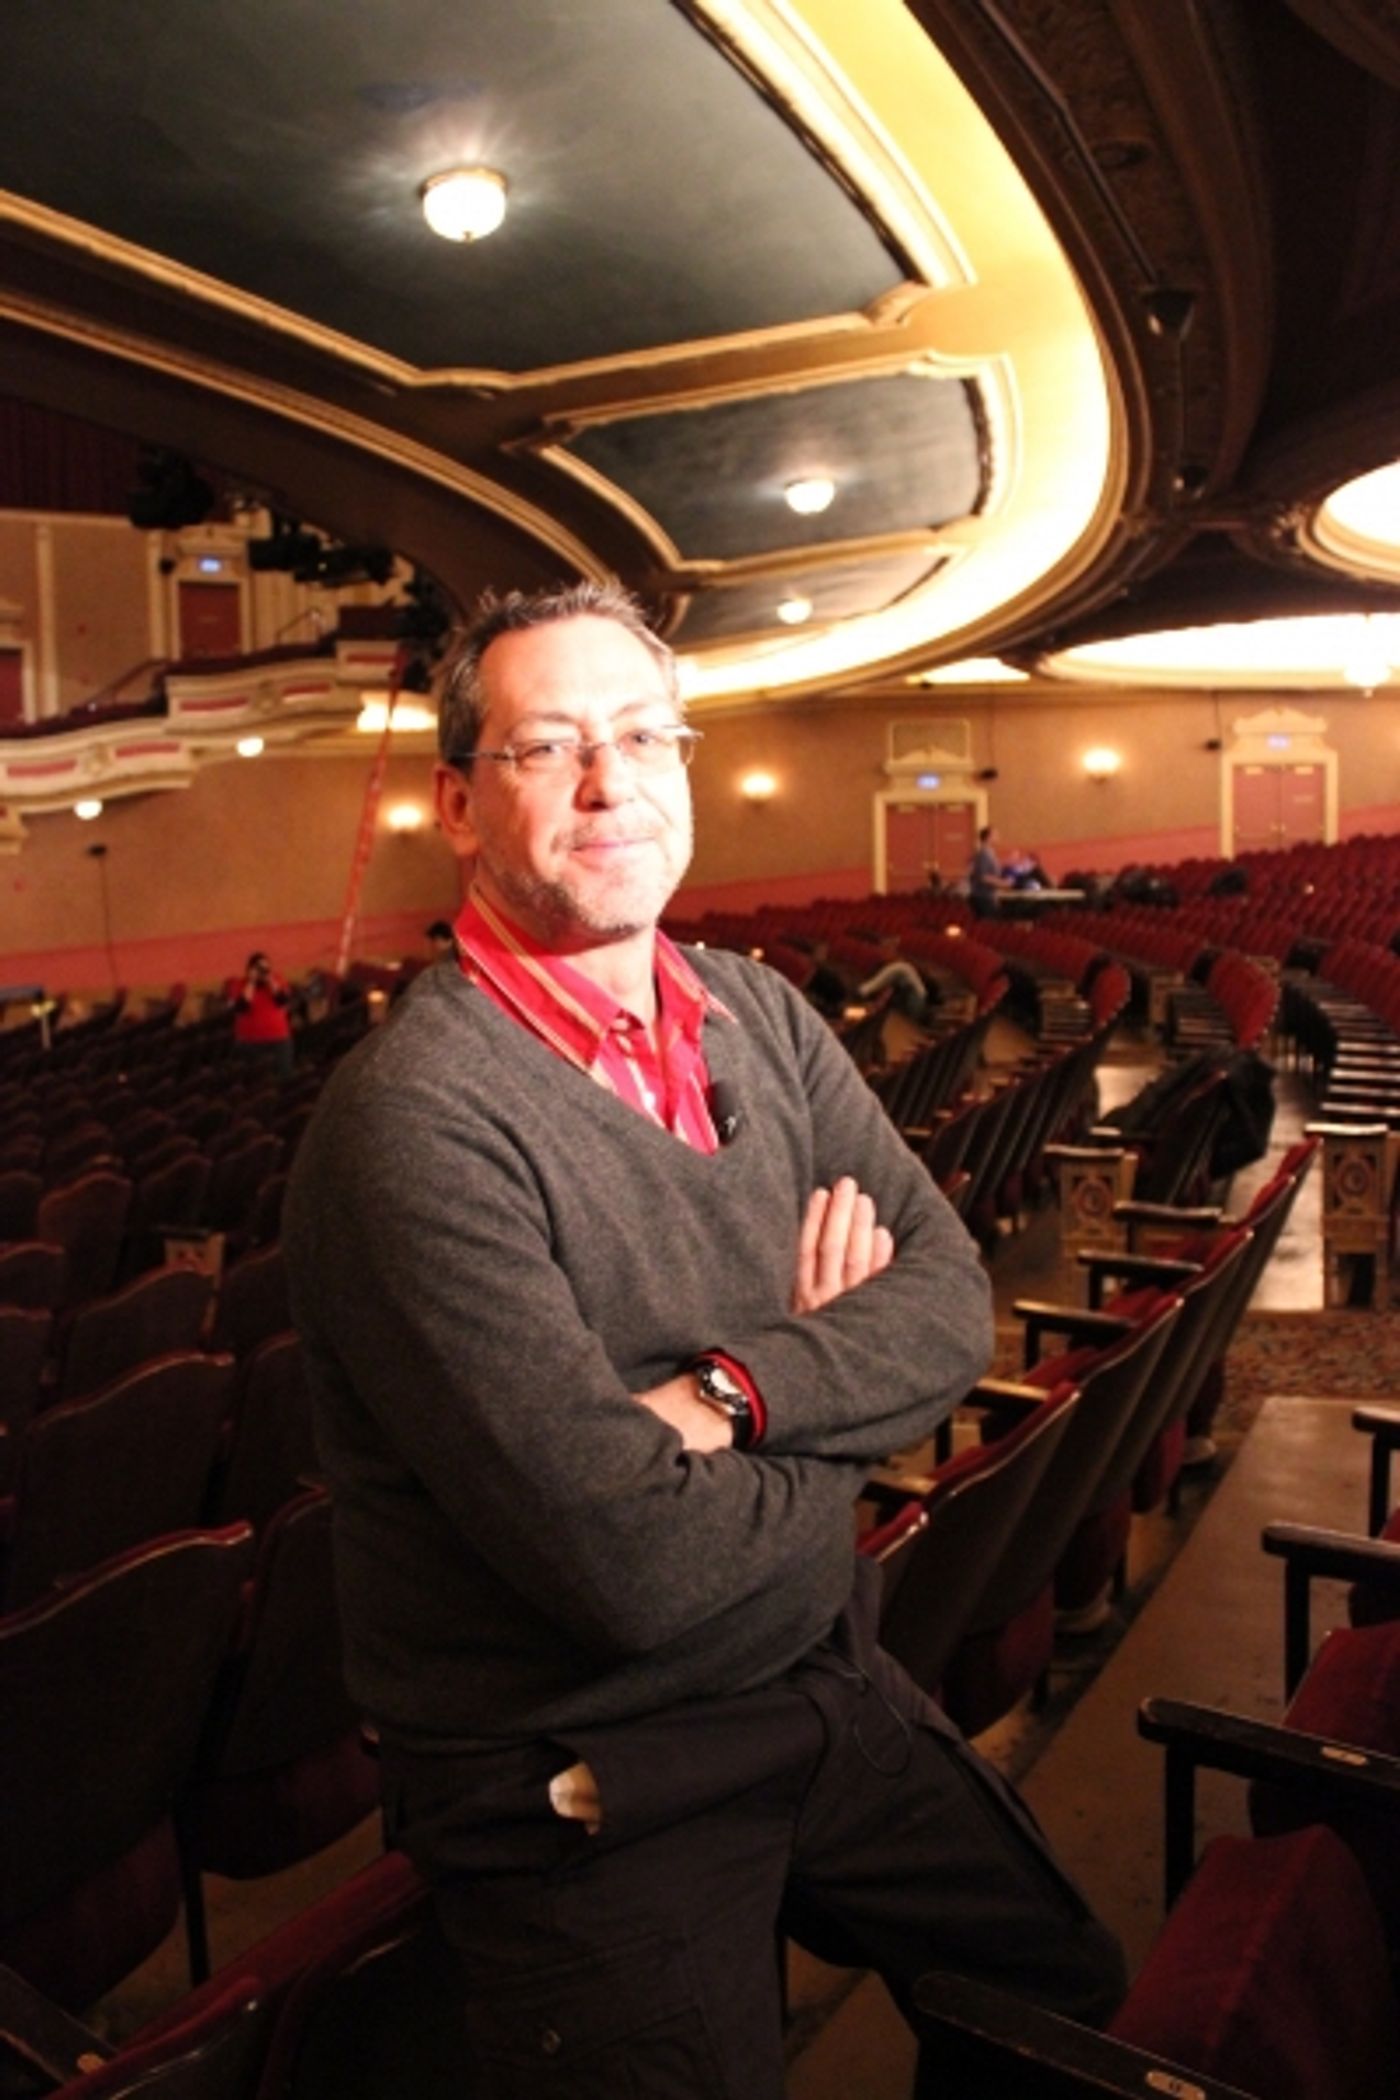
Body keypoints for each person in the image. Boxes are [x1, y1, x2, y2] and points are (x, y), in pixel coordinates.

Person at [284, 580, 1125, 2098]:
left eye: (643, 736)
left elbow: (947, 1302)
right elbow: (632, 1571)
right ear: (459, 805)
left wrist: (734, 1391)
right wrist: (845, 1404)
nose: (612, 784)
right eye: (549, 748)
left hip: (817, 1680)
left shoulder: (755, 1010)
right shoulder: (412, 1125)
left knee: (1065, 1993)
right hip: (583, 1781)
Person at [226, 949, 293, 1075]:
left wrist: (270, 981)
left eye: (266, 969)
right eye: (259, 969)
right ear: (249, 970)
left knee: (283, 1076)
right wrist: (251, 982)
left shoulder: (277, 980)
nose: (263, 973)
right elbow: (241, 1008)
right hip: (250, 1042)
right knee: (254, 1078)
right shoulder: (238, 985)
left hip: (279, 1040)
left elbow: (283, 1001)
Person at [968, 823, 1011, 917]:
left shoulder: (990, 853)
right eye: (995, 835)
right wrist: (1003, 883)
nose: (998, 837)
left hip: (988, 896)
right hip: (983, 898)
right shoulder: (983, 854)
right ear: (988, 838)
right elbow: (984, 877)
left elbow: (993, 869)